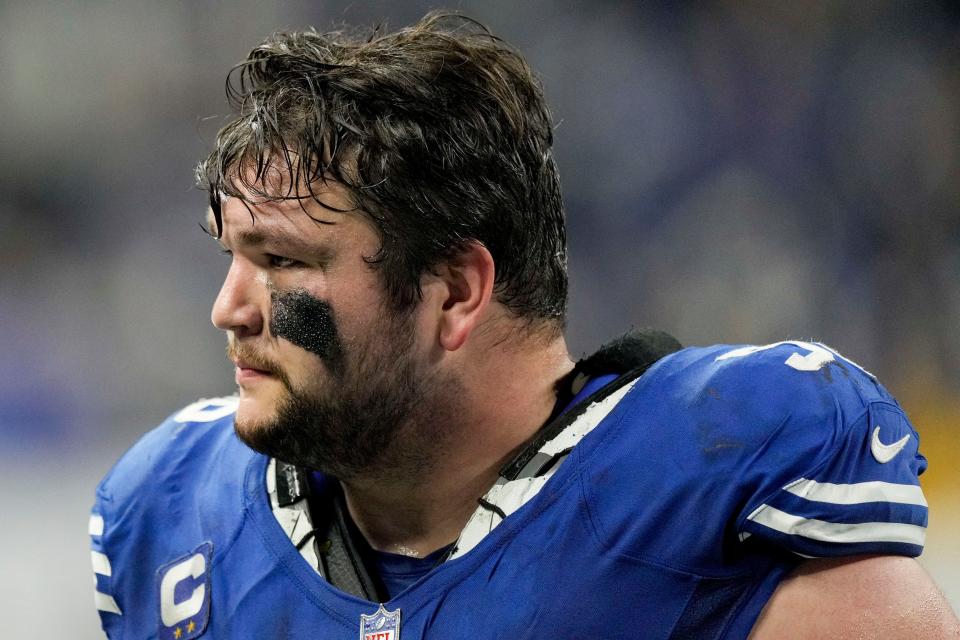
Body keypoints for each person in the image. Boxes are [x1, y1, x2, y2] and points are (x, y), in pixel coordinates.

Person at [89, 11, 959, 639]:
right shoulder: (170, 514)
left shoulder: (718, 495)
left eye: (282, 263)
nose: (228, 308)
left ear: (457, 291)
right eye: (232, 257)